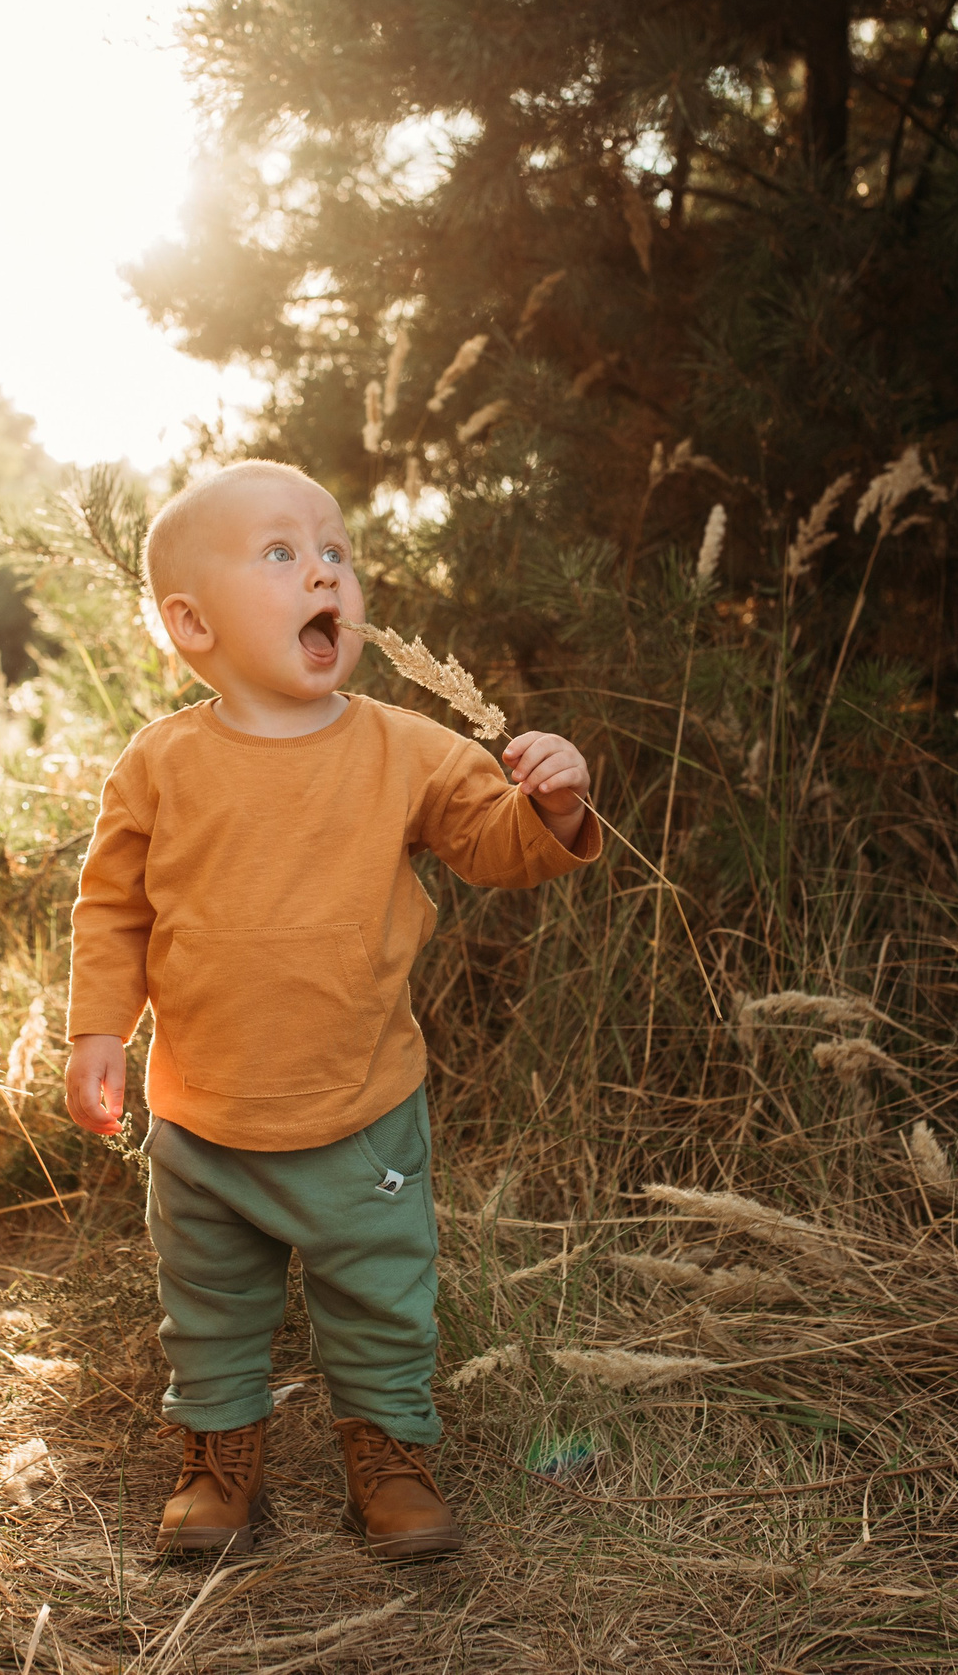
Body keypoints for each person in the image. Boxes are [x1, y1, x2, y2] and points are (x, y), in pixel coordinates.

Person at [63, 460, 601, 1559]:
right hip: (205, 1115)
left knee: (378, 1293)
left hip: (361, 1109)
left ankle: (387, 1452)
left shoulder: (403, 746)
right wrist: (97, 1030)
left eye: (336, 550)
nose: (324, 567)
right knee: (209, 1302)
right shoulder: (161, 762)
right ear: (191, 621)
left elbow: (494, 846)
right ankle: (219, 1455)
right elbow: (111, 908)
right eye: (282, 551)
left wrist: (553, 801)